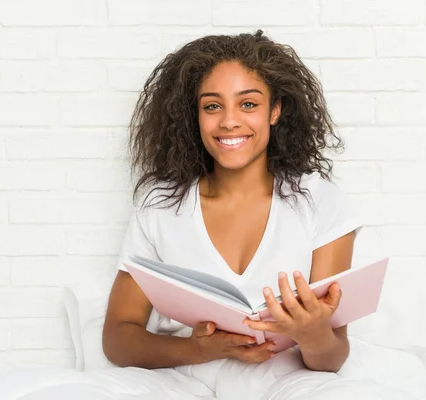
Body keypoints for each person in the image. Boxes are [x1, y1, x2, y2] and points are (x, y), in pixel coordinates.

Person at [102, 29, 363, 378]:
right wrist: (198, 349)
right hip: (180, 382)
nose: (228, 121)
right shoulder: (159, 206)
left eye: (248, 104)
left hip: (282, 383)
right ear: (194, 115)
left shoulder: (319, 199)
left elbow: (331, 359)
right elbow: (118, 340)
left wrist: (313, 334)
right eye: (212, 106)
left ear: (275, 110)